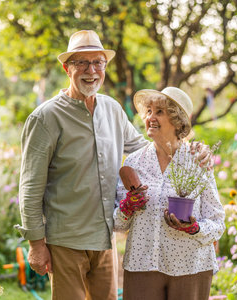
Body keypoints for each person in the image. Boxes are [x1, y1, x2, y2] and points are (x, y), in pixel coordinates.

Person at [15, 30, 148, 300]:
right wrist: (36, 244)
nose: (92, 70)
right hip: (65, 243)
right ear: (67, 68)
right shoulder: (46, 118)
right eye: (82, 63)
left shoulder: (112, 110)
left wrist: (187, 150)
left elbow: (145, 150)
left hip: (105, 239)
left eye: (98, 62)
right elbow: (30, 187)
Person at [113, 87, 225, 300]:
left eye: (159, 112)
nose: (150, 118)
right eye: (148, 112)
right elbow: (118, 223)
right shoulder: (134, 162)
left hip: (190, 267)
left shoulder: (197, 161)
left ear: (177, 120)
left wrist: (194, 228)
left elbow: (217, 222)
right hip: (142, 264)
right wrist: (127, 207)